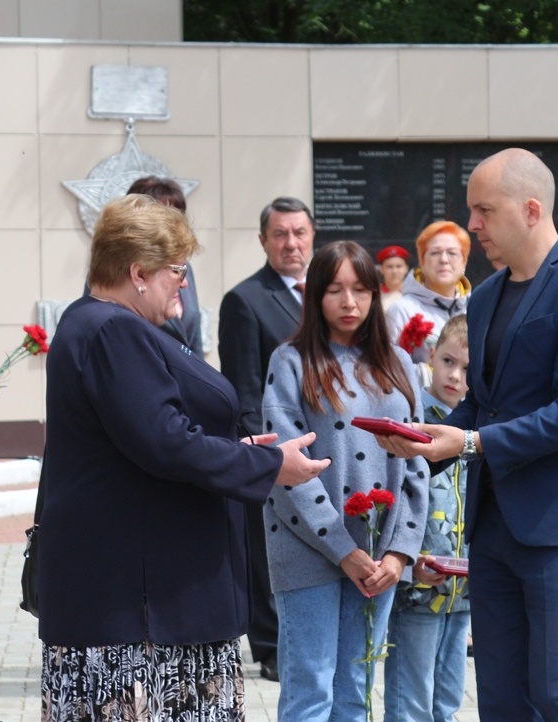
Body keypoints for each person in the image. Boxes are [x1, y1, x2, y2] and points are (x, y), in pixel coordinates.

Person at [37, 194, 328, 720]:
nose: (185, 282)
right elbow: (164, 443)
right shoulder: (112, 330)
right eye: (177, 269)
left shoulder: (98, 324)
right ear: (138, 272)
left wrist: (234, 450)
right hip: (143, 612)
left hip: (143, 597)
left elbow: (144, 439)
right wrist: (267, 466)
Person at [376, 148, 558, 721]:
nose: (472, 226)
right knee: (502, 701)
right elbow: (481, 406)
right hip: (493, 531)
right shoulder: (485, 296)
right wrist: (424, 437)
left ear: (532, 209)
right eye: (472, 211)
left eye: (484, 210)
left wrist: (467, 444)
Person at [260, 241, 429, 722]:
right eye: (334, 290)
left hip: (378, 557)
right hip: (308, 549)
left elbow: (416, 463)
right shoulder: (291, 361)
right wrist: (344, 550)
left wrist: (399, 553)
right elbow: (287, 470)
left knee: (355, 690)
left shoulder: (398, 363)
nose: (349, 303)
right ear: (314, 297)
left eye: (360, 290)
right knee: (311, 690)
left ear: (376, 295)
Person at [217, 195, 314, 681]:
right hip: (276, 445)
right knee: (267, 548)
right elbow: (244, 387)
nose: (290, 243)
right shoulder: (245, 299)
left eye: (299, 233)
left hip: (326, 443)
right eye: (280, 234)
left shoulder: (327, 290)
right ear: (263, 241)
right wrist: (267, 454)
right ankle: (271, 645)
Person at [384, 314, 471, 722]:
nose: (454, 376)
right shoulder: (414, 421)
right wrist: (409, 559)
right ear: (431, 356)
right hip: (418, 591)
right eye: (448, 361)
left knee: (448, 703)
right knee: (411, 704)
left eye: (468, 369)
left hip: (463, 594)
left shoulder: (480, 431)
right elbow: (398, 501)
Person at [124, 176, 204, 354]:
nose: (173, 226)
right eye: (164, 218)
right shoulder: (118, 271)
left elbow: (194, 337)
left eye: (177, 216)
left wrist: (201, 378)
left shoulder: (185, 268)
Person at [385, 221, 471, 368]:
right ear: (422, 262)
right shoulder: (401, 311)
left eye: (452, 253)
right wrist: (429, 374)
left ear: (464, 262)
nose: (444, 260)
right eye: (435, 253)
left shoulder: (478, 308)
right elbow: (388, 372)